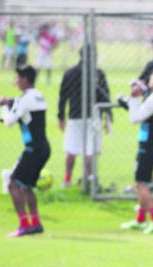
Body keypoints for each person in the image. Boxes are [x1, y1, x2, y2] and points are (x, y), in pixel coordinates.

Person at [120, 65, 153, 233]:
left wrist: (132, 98)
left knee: (140, 183)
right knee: (143, 181)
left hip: (149, 145)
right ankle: (140, 219)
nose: (150, 77)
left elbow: (135, 118)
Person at [0, 65, 51, 237]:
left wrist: (3, 106)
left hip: (32, 150)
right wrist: (11, 101)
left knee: (13, 184)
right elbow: (26, 107)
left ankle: (24, 225)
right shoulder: (39, 95)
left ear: (25, 79)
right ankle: (35, 224)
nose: (16, 81)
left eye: (18, 78)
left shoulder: (24, 99)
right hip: (43, 148)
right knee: (27, 187)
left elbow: (9, 121)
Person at [57, 46, 112, 188]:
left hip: (75, 115)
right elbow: (106, 97)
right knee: (90, 151)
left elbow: (63, 96)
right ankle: (90, 180)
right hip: (94, 116)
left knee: (71, 150)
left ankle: (67, 180)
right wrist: (108, 117)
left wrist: (61, 116)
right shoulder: (98, 73)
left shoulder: (70, 73)